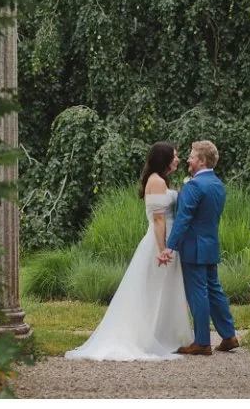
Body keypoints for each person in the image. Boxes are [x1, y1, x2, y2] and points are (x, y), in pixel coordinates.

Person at [65, 141, 194, 361]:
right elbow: (158, 219)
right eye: (174, 155)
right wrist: (163, 249)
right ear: (164, 159)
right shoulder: (157, 181)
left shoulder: (159, 181)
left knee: (164, 289)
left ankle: (163, 333)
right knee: (155, 288)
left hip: (166, 240)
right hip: (159, 241)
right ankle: (152, 336)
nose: (178, 159)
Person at [158, 140, 239, 355]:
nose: (188, 159)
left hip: (193, 247)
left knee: (198, 294)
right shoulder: (217, 184)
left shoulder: (194, 185)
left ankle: (202, 342)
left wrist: (170, 247)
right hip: (210, 245)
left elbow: (184, 219)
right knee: (214, 291)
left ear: (201, 161)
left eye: (192, 156)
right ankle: (229, 335)